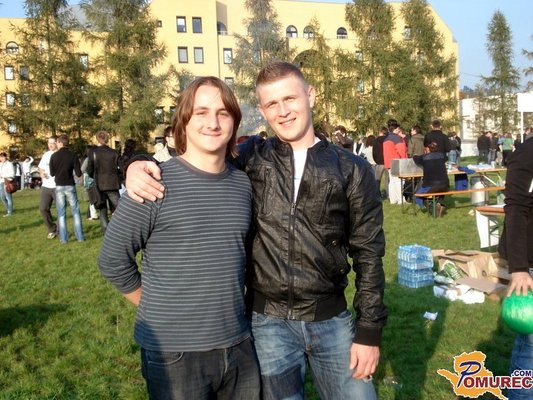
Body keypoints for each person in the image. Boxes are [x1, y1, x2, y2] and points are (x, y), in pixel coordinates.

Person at [125, 61, 387, 400]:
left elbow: (369, 254)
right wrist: (137, 162)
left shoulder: (352, 169)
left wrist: (368, 332)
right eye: (272, 103)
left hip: (331, 320)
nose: (283, 111)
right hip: (268, 324)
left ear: (310, 96)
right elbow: (196, 158)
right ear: (262, 111)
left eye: (290, 98)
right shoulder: (251, 158)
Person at [98, 76, 260, 400]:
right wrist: (156, 306)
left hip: (239, 344)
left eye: (223, 113)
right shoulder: (154, 183)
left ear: (234, 122)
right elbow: (112, 260)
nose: (213, 123)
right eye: (201, 112)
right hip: (174, 353)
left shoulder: (242, 185)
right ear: (183, 121)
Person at [498, 136, 533, 400]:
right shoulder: (527, 153)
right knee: (531, 343)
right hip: (529, 262)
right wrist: (519, 268)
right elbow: (516, 209)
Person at [49, 134, 84, 243]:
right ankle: (80, 237)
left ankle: (64, 239)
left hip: (59, 185)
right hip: (70, 185)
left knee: (61, 213)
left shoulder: (54, 156)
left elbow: (52, 173)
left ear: (60, 143)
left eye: (57, 142)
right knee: (75, 211)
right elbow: (78, 173)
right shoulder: (73, 155)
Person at [87, 131, 121, 234]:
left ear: (97, 139)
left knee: (102, 210)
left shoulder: (93, 153)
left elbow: (89, 170)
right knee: (120, 208)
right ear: (107, 139)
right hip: (112, 183)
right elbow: (120, 168)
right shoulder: (114, 152)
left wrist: (93, 176)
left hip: (99, 184)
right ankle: (121, 227)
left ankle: (106, 231)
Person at [413, 142, 450, 217]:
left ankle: (433, 211)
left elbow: (415, 158)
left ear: (428, 149)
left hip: (430, 185)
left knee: (418, 195)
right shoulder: (442, 156)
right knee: (440, 191)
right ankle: (439, 203)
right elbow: (446, 158)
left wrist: (417, 155)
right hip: (445, 185)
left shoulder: (424, 157)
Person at [383, 119, 407, 205]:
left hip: (389, 162)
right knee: (398, 181)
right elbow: (402, 151)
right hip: (397, 162)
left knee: (392, 181)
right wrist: (404, 161)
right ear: (396, 129)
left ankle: (393, 200)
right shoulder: (397, 139)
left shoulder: (386, 139)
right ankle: (401, 200)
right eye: (398, 129)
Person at [38, 136, 58, 238]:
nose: (50, 145)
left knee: (60, 210)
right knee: (43, 208)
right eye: (48, 143)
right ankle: (52, 228)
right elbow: (40, 167)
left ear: (57, 143)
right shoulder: (46, 154)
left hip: (57, 186)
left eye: (52, 143)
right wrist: (41, 173)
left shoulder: (59, 154)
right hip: (46, 186)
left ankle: (61, 230)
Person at [373, 126, 389, 199]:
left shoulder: (376, 140)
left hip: (379, 162)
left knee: (377, 180)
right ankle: (387, 195)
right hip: (387, 162)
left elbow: (374, 152)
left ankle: (377, 195)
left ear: (380, 132)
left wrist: (376, 160)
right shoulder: (388, 140)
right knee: (387, 180)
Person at [0, 152, 15, 217]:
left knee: (8, 197)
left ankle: (9, 212)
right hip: (1, 182)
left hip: (7, 182)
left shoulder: (9, 164)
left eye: (3, 157)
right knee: (2, 197)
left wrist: (3, 176)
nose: (2, 158)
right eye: (1, 157)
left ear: (6, 157)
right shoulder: (0, 164)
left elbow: (12, 174)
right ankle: (9, 209)